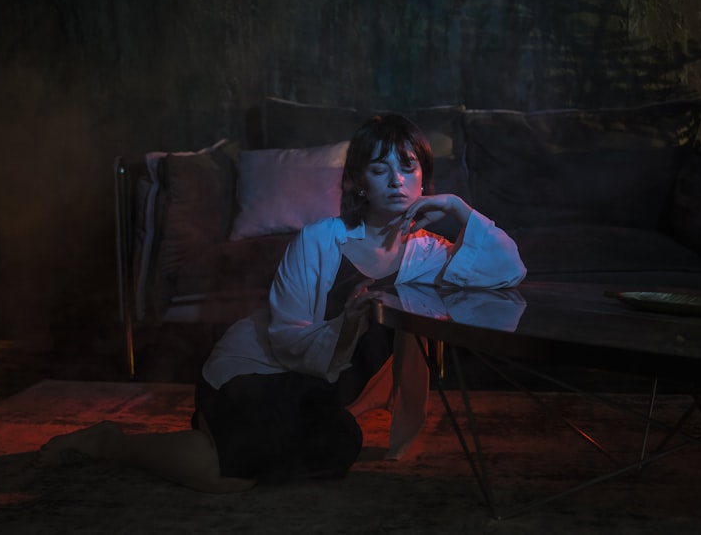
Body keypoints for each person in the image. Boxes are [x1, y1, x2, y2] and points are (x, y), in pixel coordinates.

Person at [38, 113, 526, 492]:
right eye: (380, 168)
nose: (396, 179)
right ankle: (114, 443)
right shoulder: (317, 240)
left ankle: (220, 437)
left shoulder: (430, 255)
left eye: (408, 166)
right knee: (227, 479)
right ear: (358, 182)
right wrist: (347, 324)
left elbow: (507, 273)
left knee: (343, 445)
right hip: (258, 371)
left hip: (317, 394)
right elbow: (286, 338)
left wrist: (461, 213)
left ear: (424, 180)